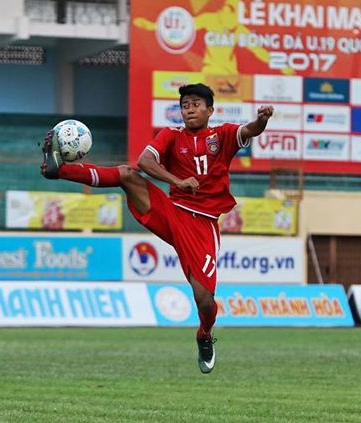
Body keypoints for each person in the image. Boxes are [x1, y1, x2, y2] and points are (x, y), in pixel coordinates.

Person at [41, 83, 273, 373]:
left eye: (196, 104)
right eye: (185, 104)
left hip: (202, 224)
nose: (189, 108)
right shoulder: (171, 136)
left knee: (204, 299)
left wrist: (262, 118)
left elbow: (250, 130)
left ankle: (204, 334)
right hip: (172, 212)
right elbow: (144, 161)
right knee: (128, 175)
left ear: (209, 110)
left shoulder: (222, 135)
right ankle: (58, 169)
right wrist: (177, 182)